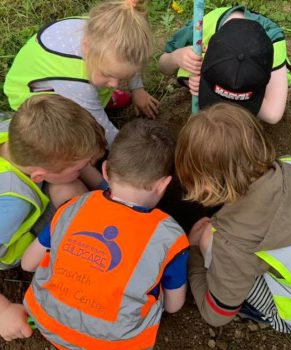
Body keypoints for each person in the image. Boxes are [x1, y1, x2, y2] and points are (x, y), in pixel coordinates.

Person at [175, 102, 291, 337]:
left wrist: (195, 254)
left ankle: (265, 312)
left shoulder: (234, 242)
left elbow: (215, 315)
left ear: (205, 184)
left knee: (208, 239)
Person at [22, 118, 189, 349]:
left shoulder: (73, 206)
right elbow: (173, 306)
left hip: (46, 320)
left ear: (105, 170)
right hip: (117, 343)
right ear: (164, 184)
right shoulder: (171, 237)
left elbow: (28, 264)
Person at [0, 94, 106, 342]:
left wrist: (107, 188)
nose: (83, 170)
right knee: (71, 194)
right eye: (79, 167)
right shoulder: (12, 205)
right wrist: (3, 310)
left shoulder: (13, 129)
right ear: (39, 176)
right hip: (14, 243)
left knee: (68, 189)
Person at [4, 0, 160, 147]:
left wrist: (137, 89)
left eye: (122, 77)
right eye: (108, 75)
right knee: (78, 133)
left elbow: (132, 57)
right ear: (86, 46)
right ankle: (89, 104)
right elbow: (102, 129)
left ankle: (95, 99)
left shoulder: (107, 28)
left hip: (71, 80)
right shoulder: (76, 79)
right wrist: (127, 153)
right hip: (34, 102)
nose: (115, 84)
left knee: (97, 83)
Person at [159, 5, 291, 124]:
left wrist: (235, 98)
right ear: (206, 50)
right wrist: (175, 57)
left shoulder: (273, 43)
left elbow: (273, 115)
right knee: (188, 67)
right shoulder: (202, 27)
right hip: (201, 66)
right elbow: (163, 65)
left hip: (262, 73)